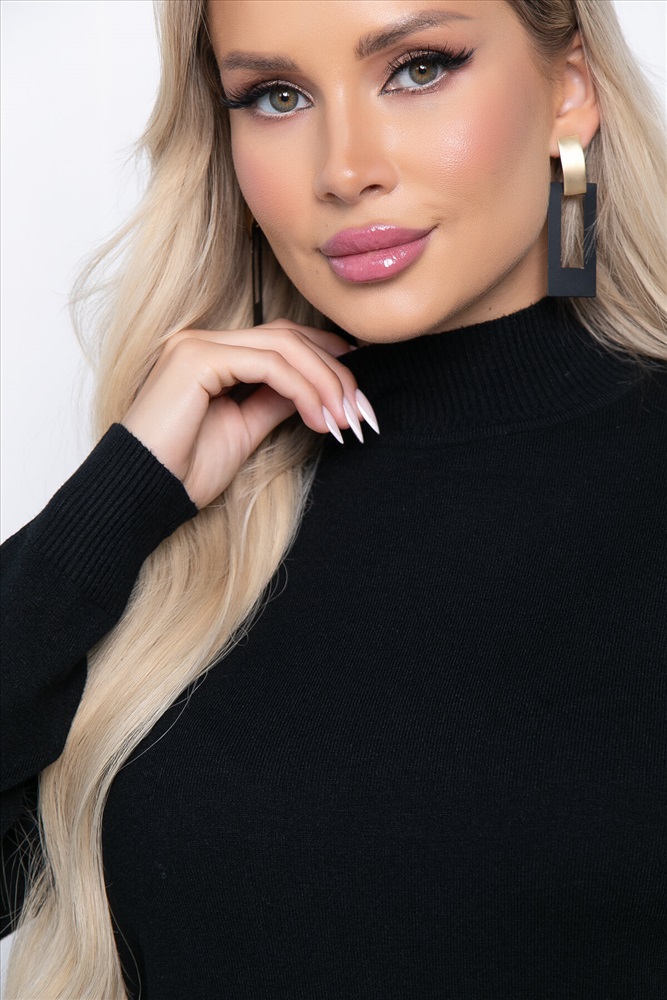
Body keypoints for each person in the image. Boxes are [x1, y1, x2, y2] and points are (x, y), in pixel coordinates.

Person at [1, 0, 665, 996]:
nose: (343, 169)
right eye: (276, 96)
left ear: (568, 89)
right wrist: (120, 497)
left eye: (417, 68)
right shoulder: (191, 516)